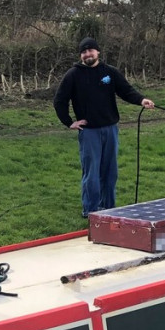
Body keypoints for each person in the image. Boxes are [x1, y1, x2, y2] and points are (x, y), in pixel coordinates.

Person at [53, 38, 154, 216]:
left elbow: (126, 90)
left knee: (110, 172)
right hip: (89, 132)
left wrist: (141, 100)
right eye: (84, 52)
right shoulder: (73, 75)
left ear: (98, 52)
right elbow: (59, 100)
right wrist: (69, 122)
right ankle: (91, 210)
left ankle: (109, 208)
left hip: (110, 129)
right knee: (91, 173)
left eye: (91, 50)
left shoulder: (110, 72)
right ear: (81, 55)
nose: (87, 54)